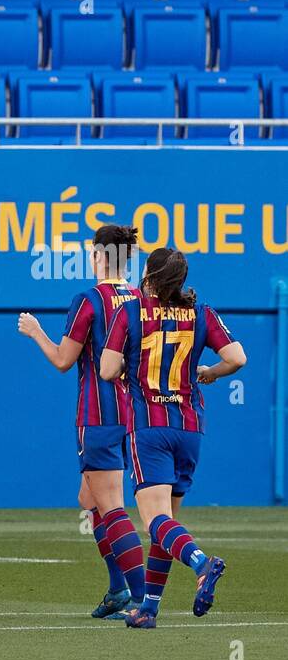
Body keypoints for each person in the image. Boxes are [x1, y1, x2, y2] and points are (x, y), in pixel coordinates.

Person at [100, 248, 245, 629]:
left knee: (154, 521)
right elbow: (238, 357)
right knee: (166, 524)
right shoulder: (201, 313)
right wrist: (210, 372)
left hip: (149, 426)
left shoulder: (130, 311)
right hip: (189, 426)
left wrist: (125, 371)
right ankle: (148, 607)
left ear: (149, 275)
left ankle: (201, 562)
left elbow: (107, 369)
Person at [17, 224, 148, 619]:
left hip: (98, 416)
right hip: (133, 414)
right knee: (87, 499)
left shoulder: (89, 301)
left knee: (110, 506)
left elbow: (62, 360)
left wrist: (36, 332)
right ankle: (116, 588)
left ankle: (143, 599)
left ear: (98, 257)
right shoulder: (141, 299)